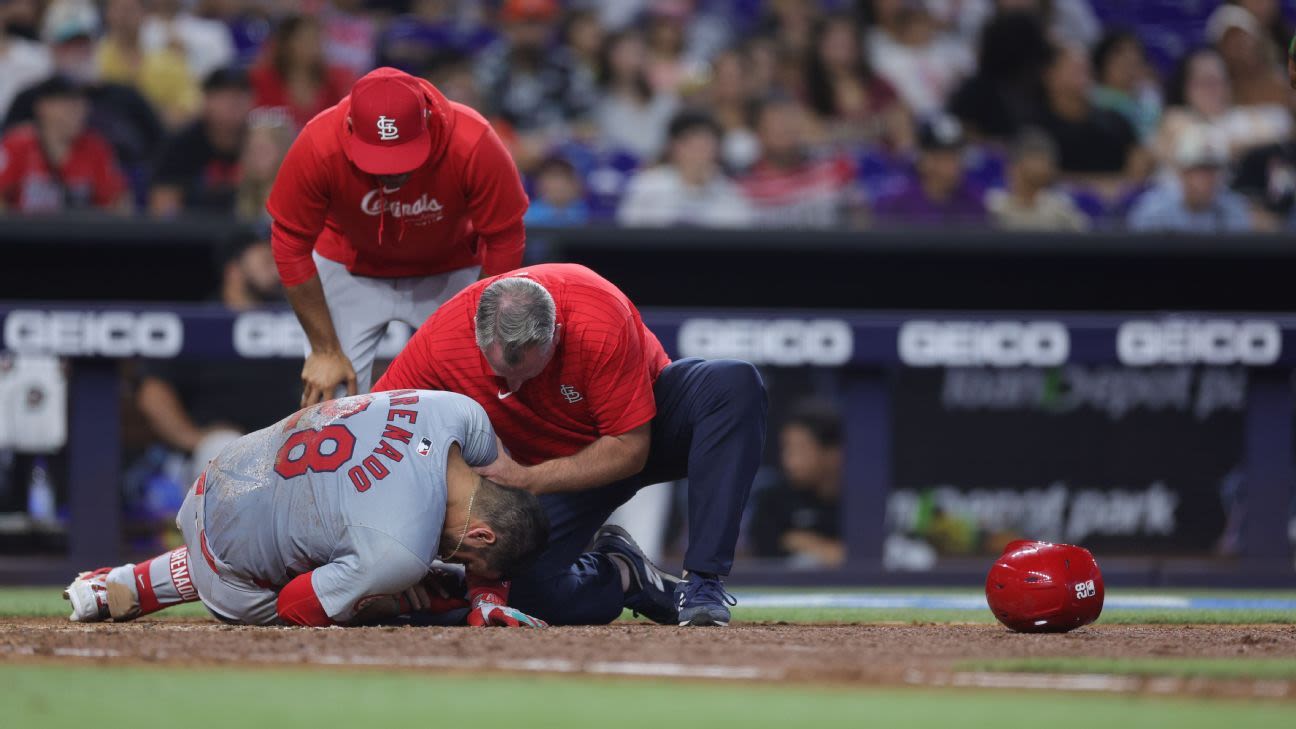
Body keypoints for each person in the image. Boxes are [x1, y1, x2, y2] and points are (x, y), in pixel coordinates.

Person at [373, 264, 768, 627]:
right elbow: (379, 427)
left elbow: (631, 448)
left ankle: (703, 581)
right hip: (548, 465)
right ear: (477, 329)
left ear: (557, 334)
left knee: (732, 384)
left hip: (638, 430)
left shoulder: (597, 315)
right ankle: (622, 574)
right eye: (501, 377)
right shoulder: (441, 341)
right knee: (522, 596)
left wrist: (526, 479)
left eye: (528, 373)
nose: (513, 388)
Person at [63, 390, 550, 628]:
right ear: (482, 535)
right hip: (232, 580)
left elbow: (497, 485)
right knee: (386, 585)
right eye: (470, 559)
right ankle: (151, 580)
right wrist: (393, 597)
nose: (457, 561)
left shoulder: (461, 412)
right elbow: (295, 607)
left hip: (218, 476)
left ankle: (130, 583)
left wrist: (489, 596)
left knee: (342, 534)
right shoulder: (401, 551)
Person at [268, 66, 528, 406]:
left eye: (402, 157)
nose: (392, 171)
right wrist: (324, 349)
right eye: (379, 159)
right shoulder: (319, 143)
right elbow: (290, 242)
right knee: (330, 397)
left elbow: (505, 237)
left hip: (448, 266)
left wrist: (480, 328)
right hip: (350, 265)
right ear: (350, 129)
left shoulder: (472, 141)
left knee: (479, 388)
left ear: (426, 121)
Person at [134, 235, 297, 485]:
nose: (275, 270)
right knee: (223, 448)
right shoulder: (199, 324)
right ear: (234, 270)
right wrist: (194, 439)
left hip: (285, 449)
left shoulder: (294, 321)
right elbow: (153, 393)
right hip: (214, 456)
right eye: (265, 260)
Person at [1033, 42, 1148, 197]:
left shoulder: (1115, 119)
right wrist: (1096, 187)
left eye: (1085, 68)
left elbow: (1139, 164)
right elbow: (1039, 174)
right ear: (1049, 75)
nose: (1083, 74)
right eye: (1074, 68)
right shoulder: (1035, 126)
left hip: (1116, 207)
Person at [0, 76, 127, 214]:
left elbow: (117, 200)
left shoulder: (97, 147)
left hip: (81, 233)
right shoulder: (16, 146)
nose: (78, 109)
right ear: (43, 106)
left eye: (82, 102)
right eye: (69, 102)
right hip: (23, 233)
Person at [616, 110, 754, 227]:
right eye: (691, 143)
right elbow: (627, 232)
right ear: (674, 146)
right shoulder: (647, 186)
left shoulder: (730, 193)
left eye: (706, 144)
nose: (699, 152)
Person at [738, 95, 857, 228]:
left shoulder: (834, 167)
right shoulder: (743, 188)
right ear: (758, 133)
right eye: (777, 123)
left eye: (791, 119)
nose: (788, 129)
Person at [750, 401, 844, 567]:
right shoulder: (772, 501)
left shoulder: (862, 504)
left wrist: (809, 543)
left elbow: (867, 559)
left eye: (800, 450)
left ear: (833, 454)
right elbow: (763, 557)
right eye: (786, 449)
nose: (789, 461)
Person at [149, 68, 254, 217]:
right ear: (206, 100)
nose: (234, 103)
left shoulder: (261, 144)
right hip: (190, 234)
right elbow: (162, 204)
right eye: (224, 95)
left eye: (241, 95)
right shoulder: (180, 145)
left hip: (248, 232)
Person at [94, 0, 200, 128]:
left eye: (130, 10)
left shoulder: (170, 60)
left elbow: (190, 103)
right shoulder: (95, 58)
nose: (124, 16)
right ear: (107, 14)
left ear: (145, 15)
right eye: (118, 9)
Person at [1127, 124, 1252, 233]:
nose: (1207, 178)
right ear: (1181, 172)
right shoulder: (1153, 211)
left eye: (1213, 169)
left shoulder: (1234, 209)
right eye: (1198, 169)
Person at [873, 114, 986, 226]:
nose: (953, 166)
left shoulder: (973, 201)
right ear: (924, 160)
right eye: (943, 158)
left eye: (956, 157)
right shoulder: (897, 203)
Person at [249, 15, 354, 130]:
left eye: (317, 39)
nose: (315, 46)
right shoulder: (262, 80)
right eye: (307, 39)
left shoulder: (334, 82)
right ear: (287, 44)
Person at [986, 128, 1089, 231]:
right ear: (1015, 165)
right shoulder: (994, 207)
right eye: (1038, 159)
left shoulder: (1060, 209)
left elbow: (1085, 237)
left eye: (1048, 161)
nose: (1046, 167)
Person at [1090, 30, 1161, 143]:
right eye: (1122, 63)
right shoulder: (1091, 99)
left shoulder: (1150, 97)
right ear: (1102, 63)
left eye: (1134, 63)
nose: (1128, 71)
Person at [524, 156, 590, 227]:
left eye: (564, 178)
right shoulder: (527, 215)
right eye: (552, 178)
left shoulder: (586, 213)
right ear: (539, 184)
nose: (558, 184)